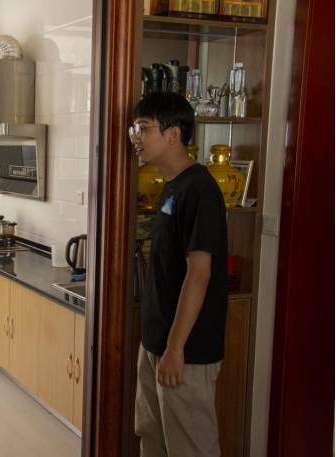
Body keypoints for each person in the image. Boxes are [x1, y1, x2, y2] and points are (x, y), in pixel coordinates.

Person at [131, 92, 228, 457]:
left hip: (185, 351)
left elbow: (199, 274)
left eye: (143, 128)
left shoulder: (199, 189)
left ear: (173, 134)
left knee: (190, 448)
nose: (136, 137)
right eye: (134, 128)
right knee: (153, 439)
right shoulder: (172, 184)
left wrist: (175, 348)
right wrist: (156, 344)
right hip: (157, 343)